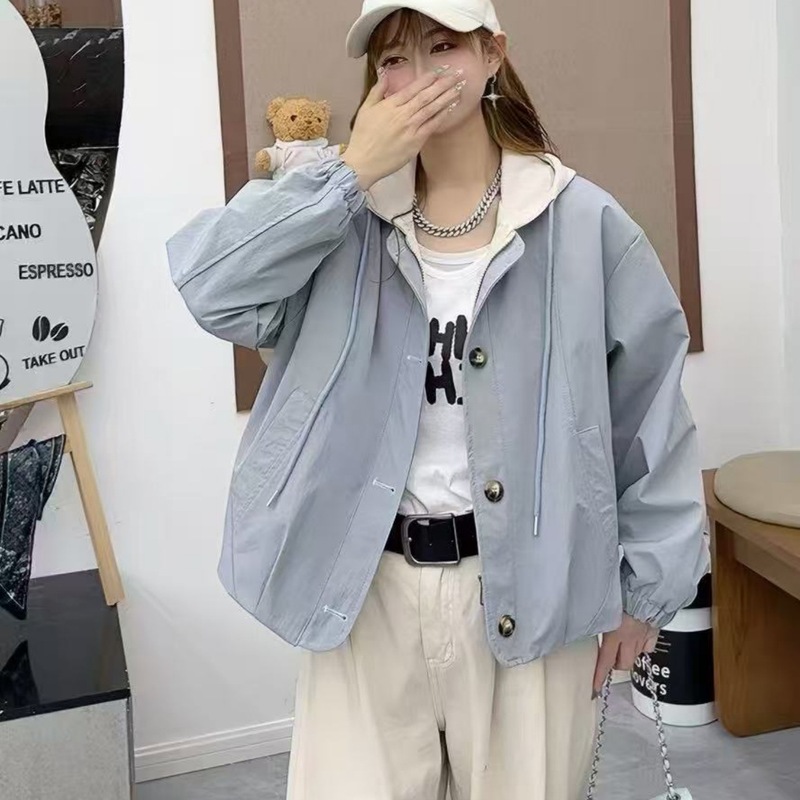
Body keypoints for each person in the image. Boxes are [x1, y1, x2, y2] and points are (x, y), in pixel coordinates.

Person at [166, 1, 710, 797]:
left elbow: (649, 414)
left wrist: (646, 592)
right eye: (393, 58)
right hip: (367, 593)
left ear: (494, 55)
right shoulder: (340, 220)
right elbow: (212, 289)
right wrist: (348, 173)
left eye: (442, 46)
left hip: (535, 587)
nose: (417, 75)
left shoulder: (582, 223)